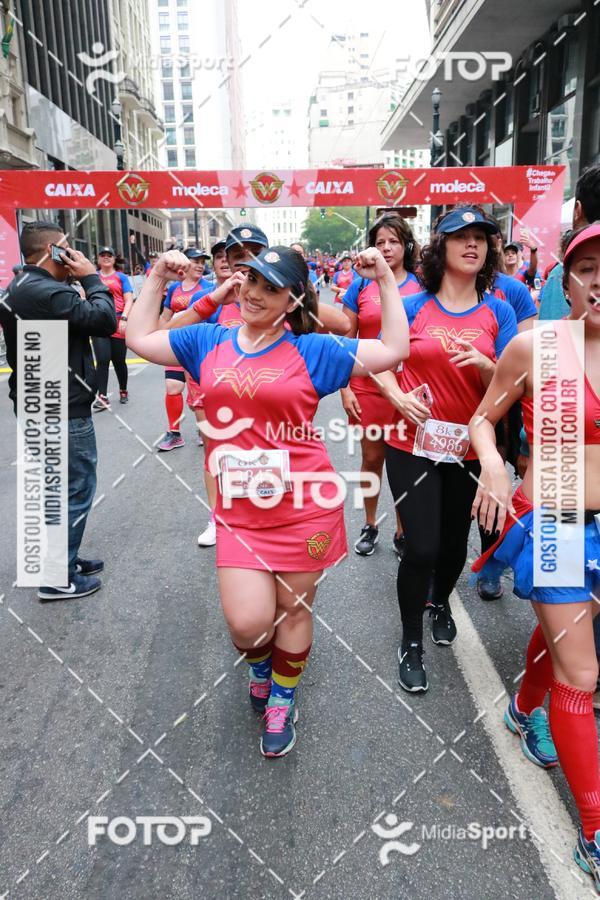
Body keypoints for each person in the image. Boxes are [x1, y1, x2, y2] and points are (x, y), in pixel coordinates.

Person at [126, 244, 410, 758]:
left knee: (293, 611)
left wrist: (386, 281)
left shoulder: (314, 351)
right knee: (247, 621)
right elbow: (140, 338)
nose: (255, 293)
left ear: (292, 299)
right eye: (250, 281)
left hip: (305, 506)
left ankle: (282, 695)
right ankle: (260, 664)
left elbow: (393, 349)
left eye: (271, 287)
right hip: (239, 513)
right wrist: (155, 280)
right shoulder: (206, 342)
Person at [469, 222, 600, 891]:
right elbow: (484, 418)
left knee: (561, 649)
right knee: (582, 675)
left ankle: (524, 705)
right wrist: (493, 467)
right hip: (559, 525)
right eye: (589, 266)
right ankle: (596, 829)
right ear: (567, 279)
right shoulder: (537, 347)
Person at [376, 207, 517, 693]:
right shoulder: (414, 305)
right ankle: (410, 639)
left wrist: (486, 364)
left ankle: (440, 601)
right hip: (411, 442)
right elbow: (378, 360)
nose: (473, 244)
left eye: (481, 238)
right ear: (442, 247)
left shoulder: (499, 311)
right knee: (422, 545)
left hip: (470, 447)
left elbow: (512, 384)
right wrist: (396, 395)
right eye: (461, 237)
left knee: (455, 544)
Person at [0, 221, 116, 599]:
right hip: (60, 407)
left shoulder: (22, 286)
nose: (75, 255)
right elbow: (104, 320)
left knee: (57, 489)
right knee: (76, 488)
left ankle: (63, 559)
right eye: (68, 249)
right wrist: (92, 277)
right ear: (53, 251)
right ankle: (56, 577)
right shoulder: (45, 292)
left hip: (43, 402)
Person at [340, 213, 421, 557]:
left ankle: (404, 530)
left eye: (394, 241)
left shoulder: (422, 283)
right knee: (372, 459)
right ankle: (370, 523)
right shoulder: (361, 283)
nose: (387, 248)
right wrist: (345, 388)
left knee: (407, 463)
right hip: (368, 387)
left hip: (410, 388)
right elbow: (346, 336)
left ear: (406, 246)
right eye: (380, 242)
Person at [156, 247, 212, 451]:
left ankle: (204, 428)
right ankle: (174, 433)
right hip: (175, 346)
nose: (199, 265)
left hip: (198, 349)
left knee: (200, 395)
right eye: (195, 260)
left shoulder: (209, 288)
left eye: (202, 262)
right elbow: (165, 315)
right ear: (184, 263)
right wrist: (159, 335)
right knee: (173, 387)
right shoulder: (174, 288)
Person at [92, 246, 134, 410]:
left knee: (118, 360)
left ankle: (123, 390)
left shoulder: (121, 277)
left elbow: (129, 300)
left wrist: (124, 317)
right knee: (102, 360)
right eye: (103, 255)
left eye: (109, 255)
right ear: (98, 259)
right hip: (98, 320)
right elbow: (84, 296)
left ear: (114, 259)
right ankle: (102, 396)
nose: (106, 257)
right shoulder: (92, 277)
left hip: (117, 320)